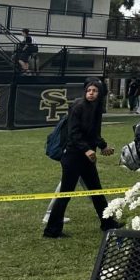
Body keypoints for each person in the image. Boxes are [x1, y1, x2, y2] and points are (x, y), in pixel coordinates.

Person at [43, 81, 117, 238]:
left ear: (100, 94)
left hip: (86, 159)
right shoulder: (78, 107)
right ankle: (52, 230)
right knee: (65, 194)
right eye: (88, 90)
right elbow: (74, 134)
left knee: (96, 191)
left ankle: (108, 223)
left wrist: (103, 146)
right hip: (73, 157)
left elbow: (94, 133)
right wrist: (87, 149)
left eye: (94, 90)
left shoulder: (97, 109)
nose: (91, 93)